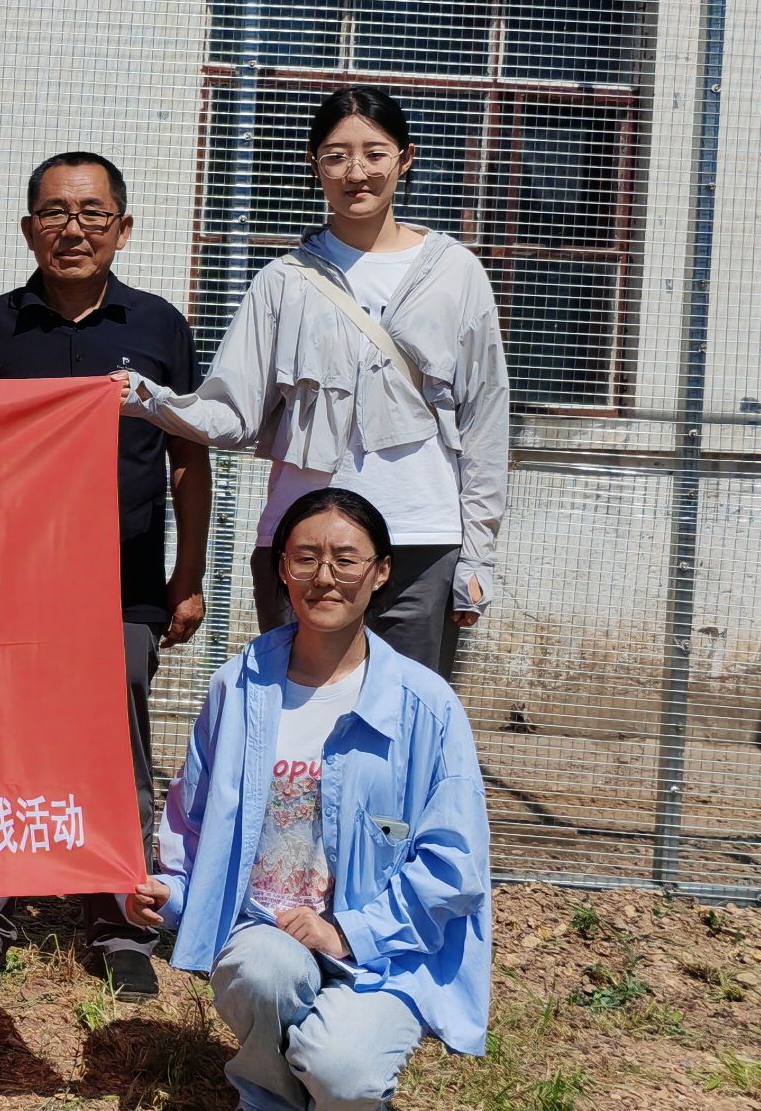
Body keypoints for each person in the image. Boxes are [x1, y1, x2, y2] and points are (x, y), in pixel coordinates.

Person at [128, 487, 491, 1111]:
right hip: (264, 931)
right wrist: (171, 891)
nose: (325, 577)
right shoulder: (239, 685)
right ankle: (267, 1099)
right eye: (305, 558)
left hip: (378, 953)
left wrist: (349, 931)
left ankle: (340, 1098)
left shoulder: (427, 705)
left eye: (345, 559)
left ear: (380, 571)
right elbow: (193, 816)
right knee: (262, 970)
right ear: (282, 570)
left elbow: (454, 865)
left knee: (345, 1079)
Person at [117, 87, 508, 678]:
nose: (356, 172)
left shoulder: (456, 272)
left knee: (405, 712)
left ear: (405, 159)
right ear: (314, 165)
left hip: (421, 540)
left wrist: (478, 553)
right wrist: (149, 400)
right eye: (336, 156)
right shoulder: (283, 281)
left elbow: (485, 420)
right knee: (300, 708)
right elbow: (234, 414)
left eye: (375, 154)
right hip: (302, 543)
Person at [0, 151, 210, 1003]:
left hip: (122, 583)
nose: (74, 229)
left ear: (122, 228)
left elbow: (187, 459)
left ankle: (119, 918)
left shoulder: (160, 327)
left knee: (116, 748)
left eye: (93, 213)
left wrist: (187, 574)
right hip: (7, 584)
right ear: (28, 230)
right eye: (56, 214)